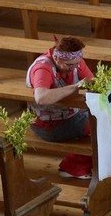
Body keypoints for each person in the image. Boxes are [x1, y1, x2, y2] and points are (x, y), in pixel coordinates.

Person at [26, 35, 94, 178]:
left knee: (109, 117)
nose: (75, 67)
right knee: (101, 124)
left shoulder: (75, 62)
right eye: (70, 65)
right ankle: (73, 166)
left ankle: (82, 164)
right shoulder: (43, 68)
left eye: (77, 63)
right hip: (48, 125)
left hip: (69, 117)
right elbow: (41, 97)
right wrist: (74, 86)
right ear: (56, 58)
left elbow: (92, 81)